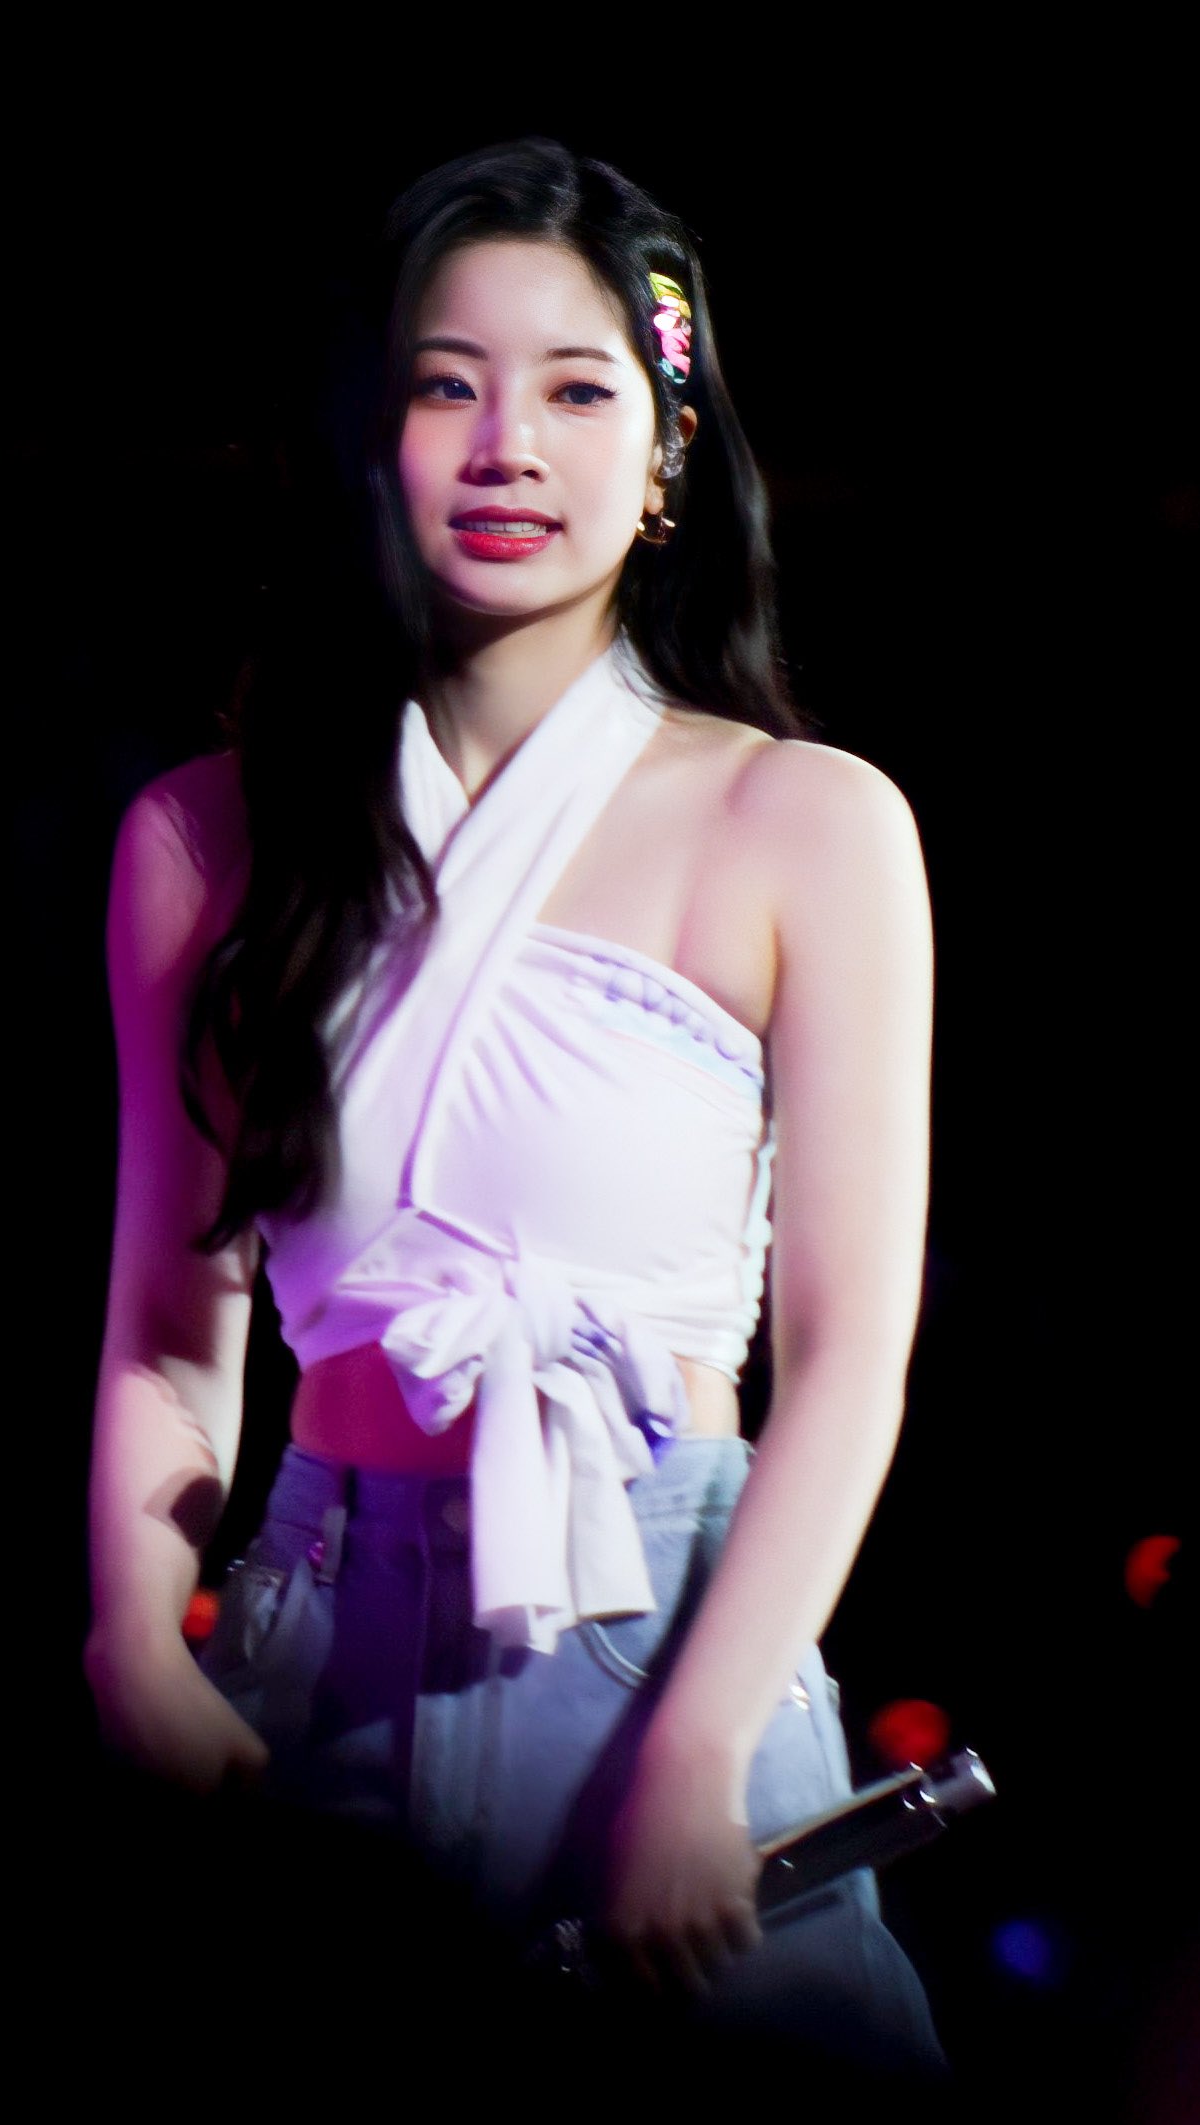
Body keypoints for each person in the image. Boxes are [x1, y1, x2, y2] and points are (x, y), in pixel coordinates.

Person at [83, 138, 945, 2084]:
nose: (506, 447)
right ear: (368, 436)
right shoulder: (205, 842)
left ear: (663, 452)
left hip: (667, 1635)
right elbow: (165, 1331)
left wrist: (701, 1750)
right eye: (446, 385)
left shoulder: (804, 822)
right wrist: (136, 1633)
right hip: (315, 1639)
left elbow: (847, 1354)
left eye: (574, 391)